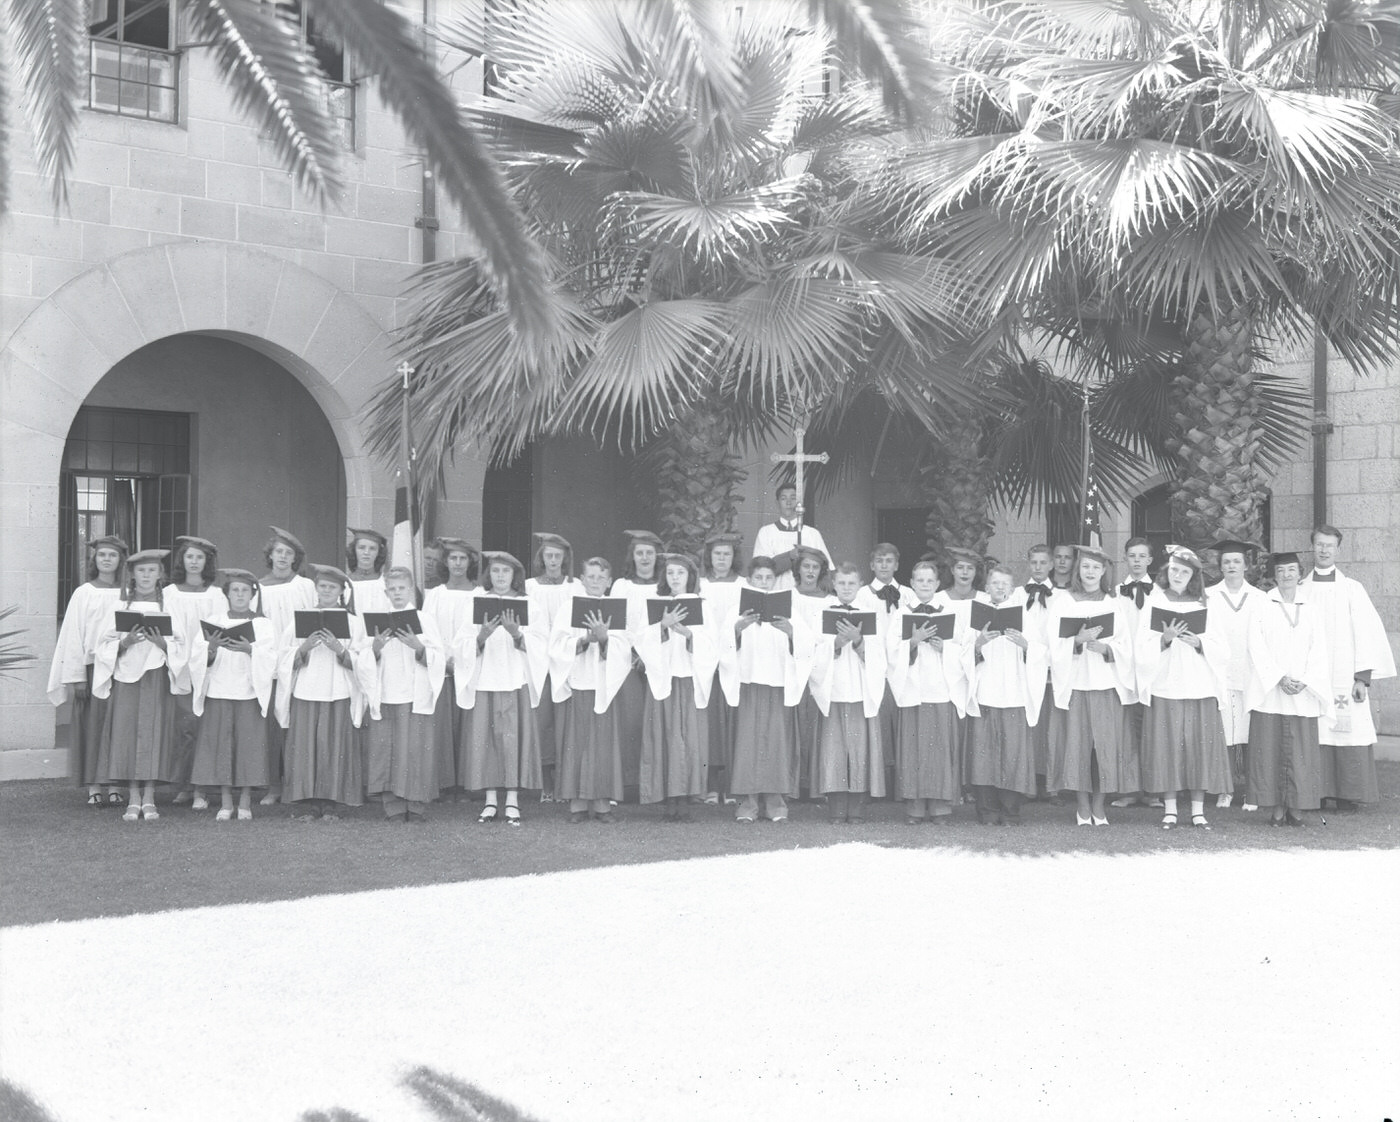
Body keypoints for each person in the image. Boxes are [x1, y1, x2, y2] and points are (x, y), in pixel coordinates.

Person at [1134, 547, 1232, 829]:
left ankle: (1198, 810)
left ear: (1193, 577)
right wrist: (1163, 640)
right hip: (1166, 684)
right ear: (1167, 572)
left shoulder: (1205, 604)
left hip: (1199, 684)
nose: (1178, 575)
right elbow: (1141, 648)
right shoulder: (1154, 602)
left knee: (1198, 748)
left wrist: (1199, 643)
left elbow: (1223, 650)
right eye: (1174, 570)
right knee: (1168, 749)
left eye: (1185, 572)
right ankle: (1171, 809)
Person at [1300, 525, 1397, 811]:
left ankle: (1347, 793)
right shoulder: (1302, 590)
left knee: (1347, 728)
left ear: (1338, 550)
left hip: (1344, 676)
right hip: (1312, 676)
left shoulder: (1352, 589)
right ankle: (1315, 791)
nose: (1324, 550)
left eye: (1330, 545)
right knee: (1315, 730)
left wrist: (1362, 679)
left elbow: (1366, 633)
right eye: (1319, 544)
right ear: (1312, 547)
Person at [92, 549, 187, 822]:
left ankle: (150, 798)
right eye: (141, 571)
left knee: (153, 733)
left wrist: (163, 644)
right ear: (132, 575)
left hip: (155, 676)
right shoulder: (120, 607)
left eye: (152, 571)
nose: (146, 576)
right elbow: (102, 644)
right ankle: (133, 798)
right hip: (127, 678)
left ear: (160, 576)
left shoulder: (168, 608)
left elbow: (182, 644)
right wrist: (125, 643)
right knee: (128, 733)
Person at [454, 551, 547, 825]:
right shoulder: (476, 602)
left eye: (506, 572)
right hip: (485, 680)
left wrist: (517, 634)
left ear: (515, 576)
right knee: (487, 741)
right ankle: (490, 800)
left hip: (515, 679)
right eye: (495, 571)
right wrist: (481, 637)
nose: (500, 577)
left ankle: (513, 801)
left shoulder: (530, 604)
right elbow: (461, 642)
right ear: (489, 574)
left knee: (511, 740)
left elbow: (541, 643)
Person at [1045, 545, 1135, 825]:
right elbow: (1053, 642)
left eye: (1096, 567)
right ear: (1078, 570)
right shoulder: (1064, 602)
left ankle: (1099, 805)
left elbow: (1126, 644)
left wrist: (1107, 649)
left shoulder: (1113, 602)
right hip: (1076, 684)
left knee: (1103, 749)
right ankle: (1082, 806)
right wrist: (1076, 642)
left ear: (1104, 571)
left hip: (1106, 685)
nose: (1090, 572)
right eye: (1085, 567)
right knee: (1078, 748)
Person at [275, 565, 370, 821]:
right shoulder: (300, 619)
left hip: (338, 689)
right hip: (306, 688)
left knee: (333, 745)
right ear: (316, 589)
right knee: (306, 747)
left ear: (341, 592)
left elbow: (364, 657)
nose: (326, 591)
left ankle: (330, 803)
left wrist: (340, 650)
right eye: (322, 586)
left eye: (332, 587)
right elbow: (283, 655)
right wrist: (303, 649)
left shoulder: (353, 621)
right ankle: (308, 803)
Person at [723, 556, 814, 823]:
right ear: (749, 580)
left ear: (775, 581)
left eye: (768, 578)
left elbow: (806, 644)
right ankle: (748, 805)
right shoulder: (736, 611)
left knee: (777, 745)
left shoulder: (788, 610)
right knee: (748, 745)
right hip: (749, 684)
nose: (763, 583)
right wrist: (737, 630)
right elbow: (723, 646)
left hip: (778, 684)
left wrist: (791, 632)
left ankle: (776, 804)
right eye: (758, 578)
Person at [1246, 552, 1333, 826]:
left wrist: (1306, 680)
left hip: (1303, 691)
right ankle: (1276, 807)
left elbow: (1320, 648)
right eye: (1281, 570)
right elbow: (1255, 646)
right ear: (1274, 574)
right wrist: (1279, 677)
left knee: (1300, 751)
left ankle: (1297, 807)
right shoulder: (1262, 605)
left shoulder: (1311, 607)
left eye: (1292, 570)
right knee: (1270, 750)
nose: (1286, 575)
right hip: (1272, 690)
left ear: (1300, 573)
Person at [47, 534, 127, 807]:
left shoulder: (126, 594)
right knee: (93, 727)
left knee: (117, 727)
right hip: (91, 671)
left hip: (121, 669)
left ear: (120, 561)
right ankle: (94, 785)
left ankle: (115, 784)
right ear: (94, 559)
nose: (107, 559)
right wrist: (76, 676)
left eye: (112, 555)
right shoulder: (83, 593)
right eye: (102, 554)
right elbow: (72, 636)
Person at [550, 557, 632, 823]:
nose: (595, 582)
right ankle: (577, 804)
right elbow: (557, 644)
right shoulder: (568, 608)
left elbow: (624, 646)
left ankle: (601, 804)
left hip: (604, 684)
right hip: (580, 682)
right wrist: (585, 639)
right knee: (577, 743)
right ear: (582, 580)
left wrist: (605, 638)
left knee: (603, 746)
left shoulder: (617, 609)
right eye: (590, 576)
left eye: (601, 577)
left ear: (609, 582)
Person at [635, 554, 716, 819]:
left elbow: (712, 644)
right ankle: (669, 798)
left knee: (688, 740)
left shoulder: (702, 605)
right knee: (665, 737)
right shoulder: (656, 605)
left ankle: (687, 798)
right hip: (664, 680)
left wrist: (689, 635)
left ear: (690, 577)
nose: (675, 578)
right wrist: (662, 627)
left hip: (689, 680)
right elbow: (641, 640)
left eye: (681, 573)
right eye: (670, 573)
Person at [963, 564, 1046, 825]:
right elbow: (963, 652)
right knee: (984, 755)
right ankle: (987, 811)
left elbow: (1041, 652)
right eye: (995, 583)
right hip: (986, 692)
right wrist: (979, 644)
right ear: (986, 587)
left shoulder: (1025, 616)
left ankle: (1011, 811)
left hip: (1014, 694)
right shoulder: (975, 616)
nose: (1000, 588)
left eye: (1005, 584)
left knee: (1013, 755)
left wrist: (1026, 646)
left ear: (1013, 589)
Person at [188, 569, 274, 820]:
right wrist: (211, 649)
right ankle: (226, 802)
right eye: (234, 590)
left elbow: (270, 657)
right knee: (221, 746)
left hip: (248, 692)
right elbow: (198, 657)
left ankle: (245, 801)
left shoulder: (262, 624)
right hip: (219, 690)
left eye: (244, 590)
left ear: (252, 595)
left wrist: (250, 650)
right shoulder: (214, 621)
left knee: (248, 747)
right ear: (226, 594)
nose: (239, 594)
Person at [887, 559, 968, 823]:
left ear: (936, 584)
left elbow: (963, 648)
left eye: (929, 580)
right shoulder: (900, 614)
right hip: (913, 690)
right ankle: (915, 807)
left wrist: (945, 648)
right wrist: (913, 642)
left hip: (941, 689)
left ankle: (940, 807)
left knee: (940, 750)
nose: (924, 584)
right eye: (919, 580)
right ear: (911, 584)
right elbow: (891, 651)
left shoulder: (950, 612)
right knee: (915, 750)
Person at [363, 567, 445, 823]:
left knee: (415, 750)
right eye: (392, 589)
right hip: (387, 692)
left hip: (414, 693)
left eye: (402, 588)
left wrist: (419, 647)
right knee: (387, 750)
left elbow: (439, 655)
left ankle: (416, 805)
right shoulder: (377, 620)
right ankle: (394, 806)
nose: (397, 593)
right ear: (386, 591)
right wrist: (375, 649)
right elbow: (363, 658)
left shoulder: (425, 619)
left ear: (411, 590)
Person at [809, 563, 887, 823]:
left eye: (851, 583)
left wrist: (859, 641)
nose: (846, 588)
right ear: (834, 584)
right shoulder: (822, 612)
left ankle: (856, 809)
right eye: (841, 583)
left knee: (859, 752)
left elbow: (880, 654)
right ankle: (836, 808)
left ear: (860, 584)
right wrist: (836, 643)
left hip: (860, 691)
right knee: (835, 753)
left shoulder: (872, 612)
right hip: (834, 690)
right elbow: (813, 651)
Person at [165, 535, 229, 810]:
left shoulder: (215, 595)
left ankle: (201, 787)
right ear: (183, 560)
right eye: (189, 556)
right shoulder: (169, 593)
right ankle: (182, 786)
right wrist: (180, 658)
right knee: (183, 728)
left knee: (205, 729)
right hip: (178, 665)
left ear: (207, 562)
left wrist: (206, 656)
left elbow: (219, 629)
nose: (194, 562)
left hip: (207, 666)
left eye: (199, 557)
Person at [254, 526, 317, 804]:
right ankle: (273, 785)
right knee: (270, 726)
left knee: (295, 724)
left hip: (298, 660)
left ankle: (297, 783)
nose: (282, 557)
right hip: (269, 661)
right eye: (278, 551)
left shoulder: (305, 587)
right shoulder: (258, 587)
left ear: (295, 558)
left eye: (288, 553)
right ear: (270, 555)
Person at [1205, 539, 1268, 809]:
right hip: (1220, 674)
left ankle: (1252, 792)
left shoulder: (1260, 598)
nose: (1231, 566)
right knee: (1225, 735)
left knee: (1252, 734)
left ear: (1246, 566)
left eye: (1237, 561)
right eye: (1227, 562)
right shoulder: (1208, 596)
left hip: (1251, 675)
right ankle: (1225, 789)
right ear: (1220, 566)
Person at [421, 537, 479, 798]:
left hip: (470, 668)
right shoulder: (435, 595)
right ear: (446, 562)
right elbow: (428, 631)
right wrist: (444, 660)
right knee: (442, 726)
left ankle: (468, 783)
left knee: (469, 726)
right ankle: (444, 782)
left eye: (462, 558)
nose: (457, 563)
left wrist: (464, 661)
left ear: (470, 562)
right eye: (453, 558)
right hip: (442, 668)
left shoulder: (479, 595)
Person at [609, 529, 663, 797]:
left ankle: (653, 783)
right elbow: (616, 623)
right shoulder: (622, 586)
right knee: (630, 720)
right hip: (627, 660)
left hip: (657, 660)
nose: (644, 558)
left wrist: (649, 654)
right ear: (633, 556)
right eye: (639, 553)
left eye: (649, 553)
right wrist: (633, 653)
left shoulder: (664, 586)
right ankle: (629, 784)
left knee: (656, 720)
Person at [1110, 536, 1161, 810]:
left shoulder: (1162, 593)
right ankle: (1129, 789)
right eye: (1132, 556)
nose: (1137, 560)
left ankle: (1153, 790)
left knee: (1151, 730)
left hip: (1152, 669)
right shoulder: (1115, 593)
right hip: (1123, 669)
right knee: (1127, 731)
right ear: (1126, 559)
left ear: (1150, 560)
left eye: (1142, 556)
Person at [526, 532, 576, 801]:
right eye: (549, 555)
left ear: (564, 558)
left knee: (566, 724)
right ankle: (546, 786)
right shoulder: (530, 587)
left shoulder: (574, 587)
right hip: (539, 660)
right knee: (543, 722)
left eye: (558, 556)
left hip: (566, 660)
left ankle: (565, 785)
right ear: (541, 558)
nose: (554, 560)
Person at [698, 531, 745, 804]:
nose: (722, 559)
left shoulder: (743, 584)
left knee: (733, 722)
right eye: (717, 554)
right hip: (707, 660)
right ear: (709, 557)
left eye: (727, 554)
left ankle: (732, 786)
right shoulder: (700, 585)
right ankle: (711, 786)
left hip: (735, 658)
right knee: (711, 725)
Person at [1021, 543, 1057, 799]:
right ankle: (1027, 783)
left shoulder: (1063, 598)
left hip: (1052, 670)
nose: (1038, 567)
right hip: (1023, 667)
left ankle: (1052, 786)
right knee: (1028, 728)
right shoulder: (1015, 595)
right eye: (1034, 563)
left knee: (1050, 728)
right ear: (1028, 563)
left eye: (1043, 563)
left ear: (1052, 565)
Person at [751, 482, 833, 590]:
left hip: (806, 595)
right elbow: (762, 569)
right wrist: (790, 556)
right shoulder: (766, 532)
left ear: (800, 503)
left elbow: (827, 569)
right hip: (776, 592)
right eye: (784, 499)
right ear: (777, 503)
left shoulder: (812, 534)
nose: (789, 503)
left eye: (793, 498)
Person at [346, 528, 391, 616]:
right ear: (354, 550)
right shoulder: (345, 583)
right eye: (361, 548)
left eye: (372, 548)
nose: (366, 552)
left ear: (379, 552)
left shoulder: (385, 583)